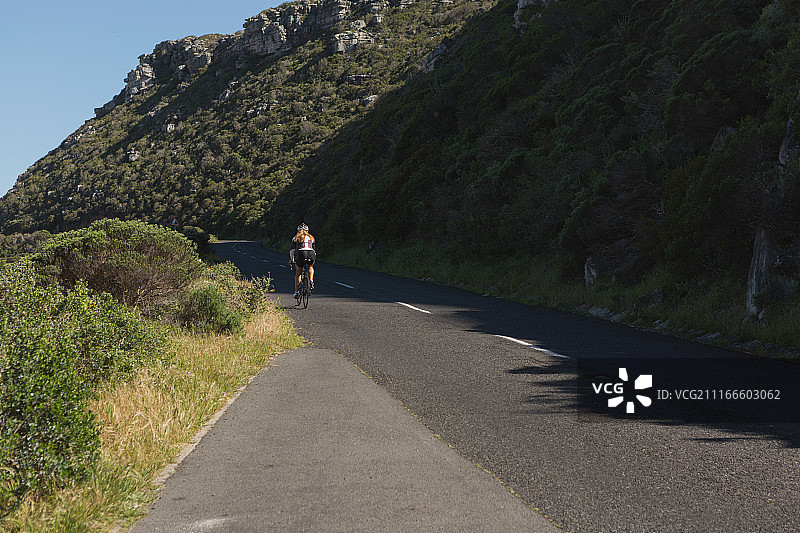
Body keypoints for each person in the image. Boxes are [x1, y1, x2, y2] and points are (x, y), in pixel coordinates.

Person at [290, 223, 316, 298]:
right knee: (310, 267)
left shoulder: (296, 237)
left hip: (302, 253)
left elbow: (292, 251)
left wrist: (291, 260)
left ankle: (297, 292)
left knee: (298, 272)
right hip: (311, 253)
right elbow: (314, 251)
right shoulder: (311, 238)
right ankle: (311, 280)